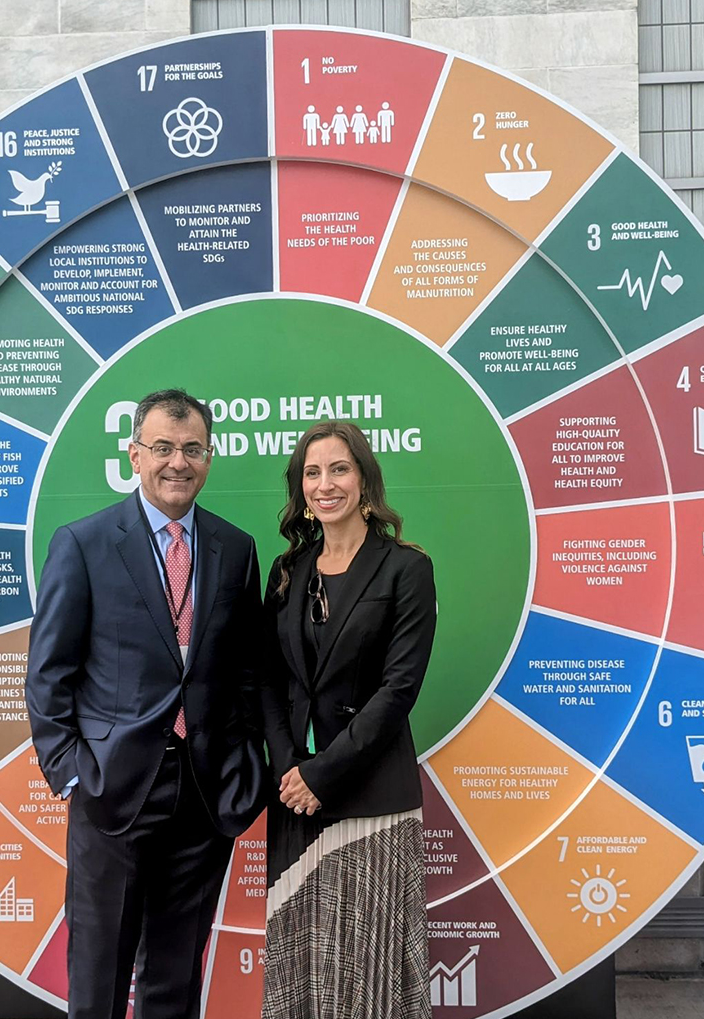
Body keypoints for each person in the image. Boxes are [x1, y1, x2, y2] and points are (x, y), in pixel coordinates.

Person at [25, 388, 266, 1019]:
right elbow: (50, 671)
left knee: (176, 979)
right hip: (113, 794)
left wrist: (245, 766)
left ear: (210, 458)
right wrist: (73, 771)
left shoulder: (235, 549)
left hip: (205, 795)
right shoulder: (84, 543)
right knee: (99, 977)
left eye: (192, 449)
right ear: (135, 454)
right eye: (162, 447)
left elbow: (244, 672)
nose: (177, 463)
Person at [260, 421, 437, 1019]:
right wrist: (290, 769)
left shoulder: (405, 569)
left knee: (369, 974)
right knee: (303, 971)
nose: (324, 483)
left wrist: (323, 775)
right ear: (299, 487)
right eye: (312, 472)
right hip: (295, 801)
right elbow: (270, 682)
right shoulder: (288, 571)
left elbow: (399, 689)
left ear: (364, 480)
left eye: (338, 469)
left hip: (370, 799)